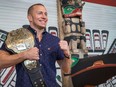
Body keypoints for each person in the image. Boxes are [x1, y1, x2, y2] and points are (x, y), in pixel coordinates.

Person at [0, 3, 72, 87]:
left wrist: (67, 54)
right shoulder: (16, 38)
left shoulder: (54, 40)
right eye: (40, 13)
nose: (44, 17)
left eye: (45, 14)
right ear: (30, 17)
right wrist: (24, 55)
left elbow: (66, 69)